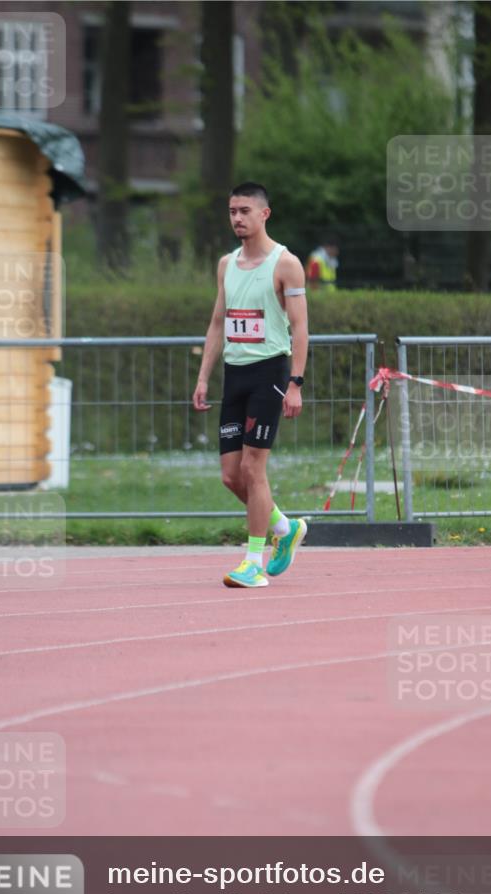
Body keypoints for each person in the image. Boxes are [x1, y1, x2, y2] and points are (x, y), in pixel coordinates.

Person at [192, 182, 309, 589]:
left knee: (252, 468)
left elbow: (300, 327)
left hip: (269, 374)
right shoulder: (226, 264)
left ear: (264, 214)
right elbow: (218, 322)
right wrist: (204, 376)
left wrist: (295, 383)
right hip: (235, 374)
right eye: (231, 211)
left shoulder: (285, 263)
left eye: (244, 211)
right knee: (230, 475)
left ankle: (253, 563)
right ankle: (285, 529)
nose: (237, 218)